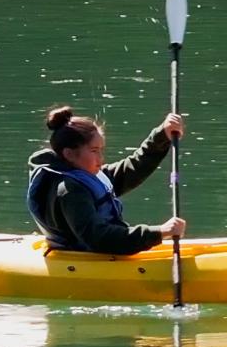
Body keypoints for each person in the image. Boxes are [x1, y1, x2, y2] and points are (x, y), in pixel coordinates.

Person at [26, 106, 187, 254]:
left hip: (100, 253)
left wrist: (162, 135)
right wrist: (159, 232)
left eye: (101, 150)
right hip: (82, 258)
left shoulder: (90, 175)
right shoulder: (69, 191)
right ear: (69, 154)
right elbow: (100, 238)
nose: (101, 158)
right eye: (94, 151)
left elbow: (133, 168)